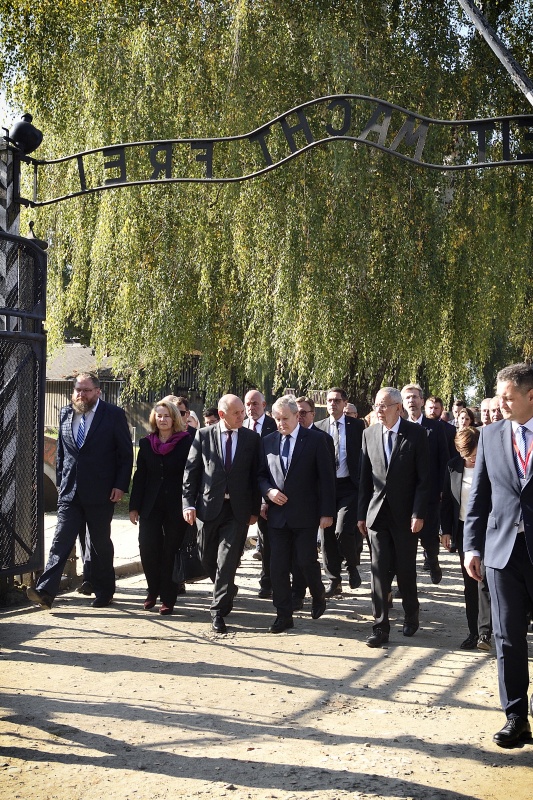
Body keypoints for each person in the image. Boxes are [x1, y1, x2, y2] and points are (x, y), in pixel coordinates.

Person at [464, 363, 533, 747]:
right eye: (498, 397)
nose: (500, 404)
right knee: (507, 637)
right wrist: (472, 546)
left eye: (508, 397)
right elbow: (479, 497)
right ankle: (516, 717)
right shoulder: (490, 435)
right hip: (502, 553)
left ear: (530, 396)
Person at [27, 373, 133, 610]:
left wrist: (120, 485)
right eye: (78, 390)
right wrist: (60, 482)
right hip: (70, 492)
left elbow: (126, 455)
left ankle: (104, 591)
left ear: (97, 392)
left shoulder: (113, 415)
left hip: (101, 492)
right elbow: (62, 452)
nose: (81, 395)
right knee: (61, 540)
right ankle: (46, 592)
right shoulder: (66, 413)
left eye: (86, 390)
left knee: (99, 544)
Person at [182, 394, 261, 634]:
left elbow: (255, 476)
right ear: (222, 414)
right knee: (206, 558)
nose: (242, 416)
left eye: (242, 411)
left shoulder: (251, 438)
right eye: (237, 413)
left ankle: (217, 610)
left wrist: (254, 510)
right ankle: (227, 588)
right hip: (208, 508)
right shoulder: (204, 435)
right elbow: (191, 472)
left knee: (227, 560)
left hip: (237, 510)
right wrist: (188, 504)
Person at [358, 387, 430, 647]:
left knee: (405, 569)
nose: (379, 410)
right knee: (377, 570)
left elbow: (424, 479)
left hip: (406, 515)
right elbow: (365, 478)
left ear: (398, 408)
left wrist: (418, 513)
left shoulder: (416, 434)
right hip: (377, 514)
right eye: (376, 405)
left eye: (384, 405)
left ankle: (411, 613)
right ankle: (380, 627)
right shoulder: (369, 434)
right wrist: (361, 514)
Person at [258, 395, 335, 632]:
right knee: (278, 566)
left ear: (296, 416)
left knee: (305, 560)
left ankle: (318, 593)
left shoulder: (315, 440)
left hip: (306, 513)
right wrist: (268, 492)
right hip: (277, 515)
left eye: (285, 418)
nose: (281, 423)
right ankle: (283, 615)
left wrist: (327, 512)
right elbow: (260, 475)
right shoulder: (268, 441)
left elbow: (327, 479)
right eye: (277, 419)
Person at [129, 400, 192, 615]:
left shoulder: (186, 442)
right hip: (151, 505)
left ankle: (168, 597)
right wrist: (134, 507)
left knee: (170, 551)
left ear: (174, 418)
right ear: (154, 419)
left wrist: (191, 503)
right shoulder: (146, 443)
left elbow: (191, 474)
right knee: (147, 548)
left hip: (176, 505)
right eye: (159, 416)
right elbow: (140, 477)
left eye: (166, 416)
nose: (163, 419)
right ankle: (152, 590)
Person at [440, 427, 491, 650]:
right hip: (464, 530)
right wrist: (446, 530)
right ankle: (473, 632)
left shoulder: (490, 464)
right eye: (466, 454)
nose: (471, 459)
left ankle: (485, 633)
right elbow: (447, 501)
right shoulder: (453, 466)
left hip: (489, 530)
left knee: (485, 581)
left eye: (474, 453)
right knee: (470, 582)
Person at [314, 387, 365, 595]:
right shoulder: (319, 427)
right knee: (326, 535)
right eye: (329, 400)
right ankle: (334, 580)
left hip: (349, 486)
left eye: (337, 400)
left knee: (342, 530)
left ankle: (352, 566)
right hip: (326, 488)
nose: (332, 404)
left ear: (345, 403)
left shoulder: (357, 426)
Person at [401, 384, 449, 583]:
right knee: (405, 542)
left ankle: (433, 560)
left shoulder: (436, 428)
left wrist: (443, 489)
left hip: (429, 492)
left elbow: (444, 460)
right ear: (402, 403)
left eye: (415, 397)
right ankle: (406, 582)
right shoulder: (399, 427)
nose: (411, 401)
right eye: (407, 397)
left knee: (429, 536)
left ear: (422, 401)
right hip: (405, 493)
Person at [242, 389, 278, 596]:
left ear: (264, 405)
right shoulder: (240, 425)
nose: (251, 407)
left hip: (267, 491)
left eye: (255, 403)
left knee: (267, 540)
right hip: (243, 492)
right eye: (248, 404)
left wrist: (265, 498)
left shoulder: (275, 426)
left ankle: (268, 581)